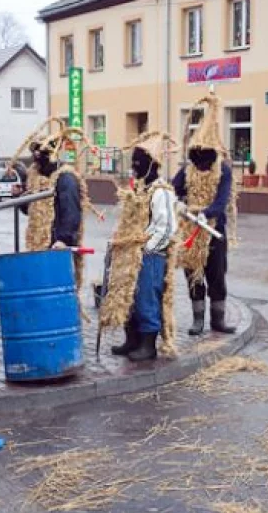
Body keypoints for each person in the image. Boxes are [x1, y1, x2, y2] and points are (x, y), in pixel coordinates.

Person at [100, 132, 179, 362]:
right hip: (132, 255)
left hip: (151, 256)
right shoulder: (140, 189)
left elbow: (166, 228)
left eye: (138, 161)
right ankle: (132, 339)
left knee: (146, 297)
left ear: (151, 163)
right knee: (129, 297)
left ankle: (148, 345)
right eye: (133, 161)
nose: (134, 166)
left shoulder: (161, 191)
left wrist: (147, 249)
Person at [173, 91, 237, 336]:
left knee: (216, 275)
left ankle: (218, 320)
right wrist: (178, 204)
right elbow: (173, 190)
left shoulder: (224, 171)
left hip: (214, 231)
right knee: (193, 275)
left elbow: (222, 200)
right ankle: (197, 319)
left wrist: (207, 213)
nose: (200, 162)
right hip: (190, 231)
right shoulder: (187, 170)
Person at [13, 120, 92, 289]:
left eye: (40, 154)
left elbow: (71, 211)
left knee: (58, 289)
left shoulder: (65, 178)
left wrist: (63, 240)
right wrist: (20, 197)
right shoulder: (36, 178)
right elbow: (32, 210)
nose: (36, 160)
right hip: (37, 246)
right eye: (35, 154)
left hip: (56, 246)